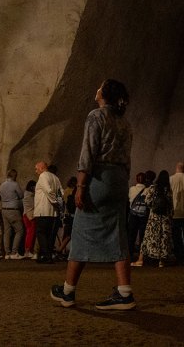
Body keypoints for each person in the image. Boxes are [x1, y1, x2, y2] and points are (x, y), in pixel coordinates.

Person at [50, 79, 136, 310]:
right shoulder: (124, 122)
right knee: (118, 234)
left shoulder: (96, 116)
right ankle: (125, 292)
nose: (96, 89)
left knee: (80, 233)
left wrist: (81, 186)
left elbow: (87, 153)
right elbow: (127, 157)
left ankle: (68, 291)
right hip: (119, 179)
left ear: (104, 94)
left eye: (100, 87)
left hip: (99, 178)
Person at [131, 170, 173, 268]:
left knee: (148, 238)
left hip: (154, 217)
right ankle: (161, 261)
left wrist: (152, 208)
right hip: (165, 218)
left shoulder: (153, 188)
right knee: (163, 239)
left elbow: (147, 201)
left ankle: (141, 260)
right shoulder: (168, 190)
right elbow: (171, 205)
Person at [34, 161, 63, 264]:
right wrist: (59, 203)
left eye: (36, 169)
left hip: (43, 211)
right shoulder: (55, 177)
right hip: (53, 213)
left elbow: (48, 191)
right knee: (49, 235)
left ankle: (47, 256)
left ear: (42, 168)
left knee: (41, 233)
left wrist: (55, 202)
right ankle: (44, 255)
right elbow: (61, 192)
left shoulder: (43, 176)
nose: (36, 171)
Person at [0, 169, 24, 259]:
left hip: (4, 210)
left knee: (7, 232)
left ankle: (7, 253)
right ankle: (14, 252)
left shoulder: (2, 185)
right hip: (13, 210)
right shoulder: (15, 184)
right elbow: (21, 195)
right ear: (14, 176)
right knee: (20, 230)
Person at [56, 176, 78, 258]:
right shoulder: (74, 191)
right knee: (69, 235)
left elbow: (64, 203)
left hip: (67, 215)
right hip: (73, 215)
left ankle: (62, 250)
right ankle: (61, 250)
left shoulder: (66, 191)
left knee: (66, 234)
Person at [127, 172, 148, 256]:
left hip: (133, 214)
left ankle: (130, 253)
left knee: (131, 235)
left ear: (136, 180)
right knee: (142, 236)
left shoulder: (131, 189)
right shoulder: (147, 190)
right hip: (144, 215)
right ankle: (141, 254)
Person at [22, 180, 37, 259]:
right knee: (31, 233)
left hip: (25, 215)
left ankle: (28, 250)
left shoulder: (26, 194)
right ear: (32, 187)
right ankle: (28, 251)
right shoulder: (31, 195)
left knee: (29, 232)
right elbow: (34, 205)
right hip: (30, 215)